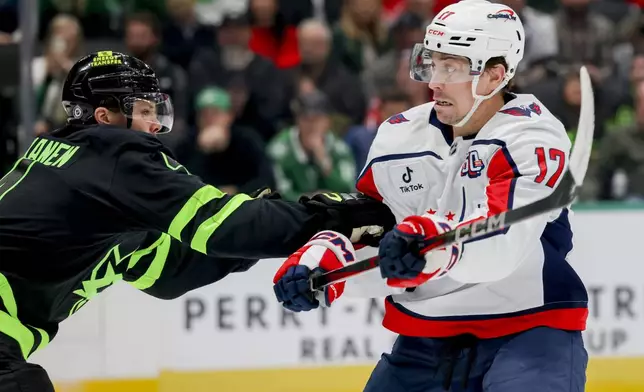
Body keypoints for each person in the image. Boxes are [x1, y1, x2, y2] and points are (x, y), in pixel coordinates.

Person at [0, 51, 395, 391]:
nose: (155, 125)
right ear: (105, 117)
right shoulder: (114, 154)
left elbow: (169, 274)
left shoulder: (76, 171)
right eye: (144, 111)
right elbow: (222, 225)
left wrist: (251, 242)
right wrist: (334, 217)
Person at [272, 1, 589, 391]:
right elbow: (386, 241)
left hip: (529, 329)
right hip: (425, 340)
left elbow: (500, 251)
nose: (435, 81)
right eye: (432, 62)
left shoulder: (532, 137)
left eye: (452, 67)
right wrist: (331, 261)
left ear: (495, 75)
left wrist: (437, 247)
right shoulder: (397, 136)